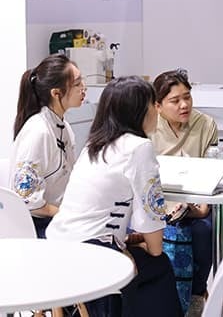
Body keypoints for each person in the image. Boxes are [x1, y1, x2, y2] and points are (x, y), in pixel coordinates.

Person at [46, 76, 183, 317]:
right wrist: (151, 248)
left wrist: (128, 242)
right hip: (94, 254)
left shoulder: (94, 145)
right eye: (153, 104)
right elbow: (151, 220)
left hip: (59, 245)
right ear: (139, 110)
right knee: (159, 265)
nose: (156, 111)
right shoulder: (138, 147)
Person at [150, 69, 218, 317]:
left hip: (196, 202)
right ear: (158, 106)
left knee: (205, 231)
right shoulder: (148, 127)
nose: (184, 105)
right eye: (175, 100)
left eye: (187, 97)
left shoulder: (205, 124)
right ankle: (166, 299)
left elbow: (211, 172)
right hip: (157, 204)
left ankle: (196, 295)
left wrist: (197, 208)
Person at [10, 54, 86, 238]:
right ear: (56, 93)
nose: (84, 89)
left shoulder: (63, 126)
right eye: (77, 84)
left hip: (56, 216)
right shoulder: (38, 131)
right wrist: (67, 215)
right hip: (37, 225)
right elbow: (26, 199)